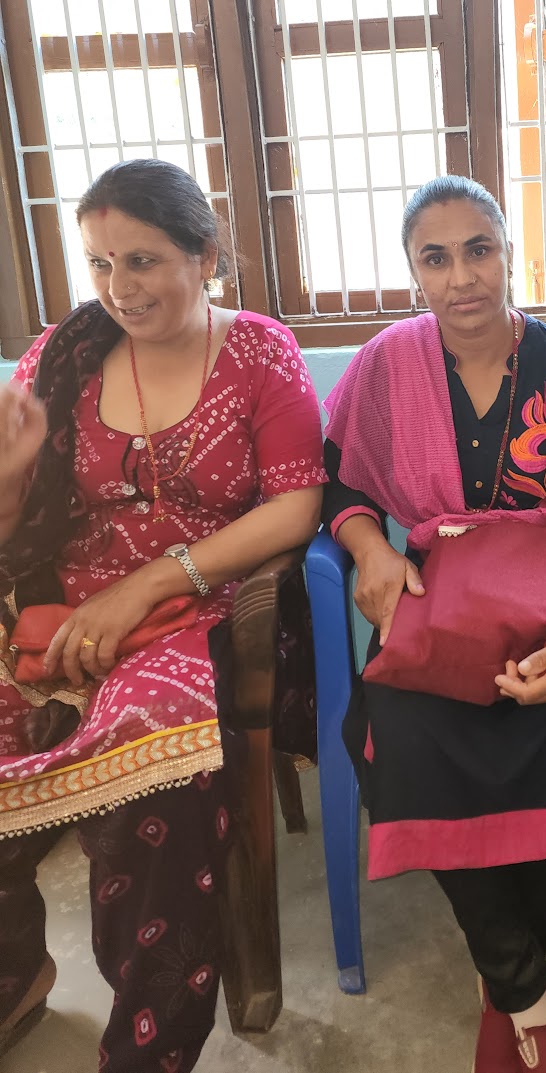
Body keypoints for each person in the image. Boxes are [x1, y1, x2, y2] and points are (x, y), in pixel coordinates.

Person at [0, 160, 324, 1070]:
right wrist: (8, 472)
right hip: (59, 616)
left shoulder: (260, 350)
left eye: (141, 260)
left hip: (208, 612)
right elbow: (10, 535)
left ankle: (149, 1047)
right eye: (100, 263)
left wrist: (148, 584)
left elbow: (295, 505)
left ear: (206, 256)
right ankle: (13, 969)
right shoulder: (61, 359)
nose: (118, 288)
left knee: (151, 768)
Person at [322, 175, 546, 1073]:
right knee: (394, 734)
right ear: (412, 274)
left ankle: (504, 969)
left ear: (509, 254)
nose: (462, 276)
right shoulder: (386, 366)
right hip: (438, 620)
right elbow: (339, 482)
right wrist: (371, 551)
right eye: (436, 257)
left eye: (480, 249)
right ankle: (535, 994)